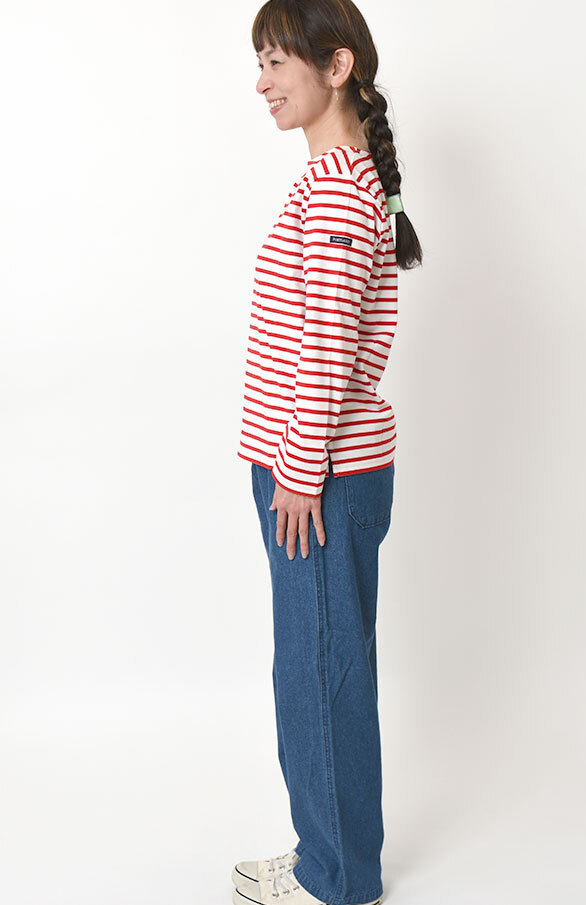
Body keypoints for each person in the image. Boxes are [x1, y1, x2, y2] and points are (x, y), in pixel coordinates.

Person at [233, 1, 422, 903]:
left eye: (277, 62)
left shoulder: (340, 193)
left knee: (317, 672)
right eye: (260, 63)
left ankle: (337, 878)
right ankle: (335, 858)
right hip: (320, 470)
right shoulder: (335, 182)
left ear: (336, 66)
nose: (261, 82)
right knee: (321, 665)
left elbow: (327, 347)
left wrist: (299, 470)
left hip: (320, 475)